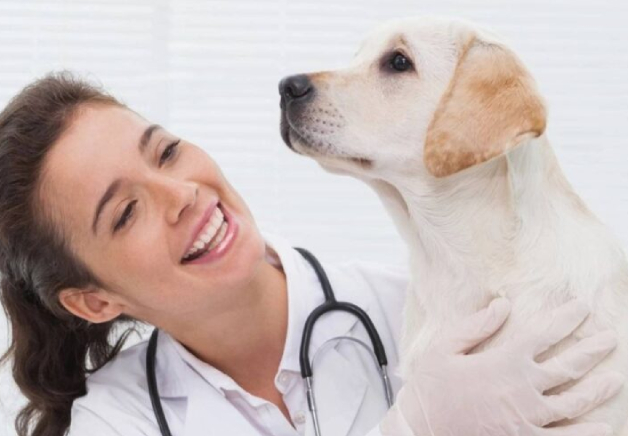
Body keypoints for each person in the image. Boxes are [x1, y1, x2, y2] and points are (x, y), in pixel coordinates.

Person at [0, 71, 623, 436]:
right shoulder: (116, 422)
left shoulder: (419, 312)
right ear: (94, 299)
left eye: (165, 152)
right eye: (126, 212)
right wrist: (419, 423)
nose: (182, 193)